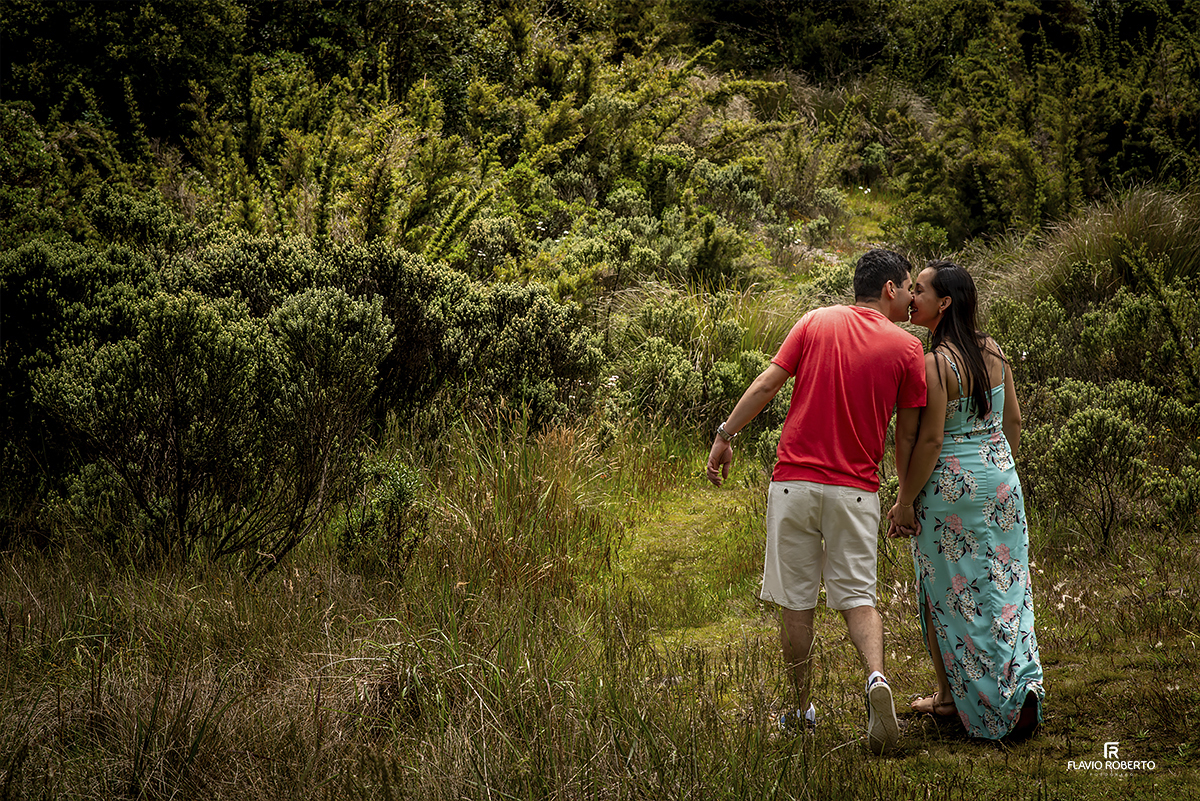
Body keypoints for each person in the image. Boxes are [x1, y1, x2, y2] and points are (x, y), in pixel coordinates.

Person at [707, 248, 927, 754]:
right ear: (889, 289)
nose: (911, 296)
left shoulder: (813, 321)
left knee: (797, 601)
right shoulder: (907, 349)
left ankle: (802, 707)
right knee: (858, 598)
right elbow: (908, 435)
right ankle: (876, 680)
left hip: (794, 486)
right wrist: (904, 497)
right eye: (908, 286)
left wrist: (725, 433)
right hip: (856, 490)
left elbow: (767, 384)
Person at [886, 260, 1045, 740]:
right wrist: (995, 470)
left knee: (947, 593)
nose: (912, 297)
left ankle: (967, 702)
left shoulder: (935, 363)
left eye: (921, 290)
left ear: (945, 303)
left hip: (950, 489)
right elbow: (1012, 422)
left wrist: (905, 501)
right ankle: (1018, 688)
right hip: (1000, 480)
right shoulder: (993, 351)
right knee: (1005, 588)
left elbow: (930, 441)